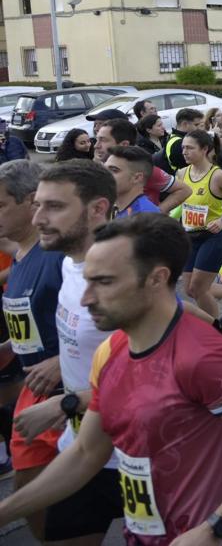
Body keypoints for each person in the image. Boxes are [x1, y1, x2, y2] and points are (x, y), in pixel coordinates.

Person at [0, 212, 222, 543]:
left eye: (105, 282)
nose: (87, 299)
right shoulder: (112, 349)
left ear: (157, 279)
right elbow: (87, 453)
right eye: (87, 281)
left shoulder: (203, 355)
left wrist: (217, 525)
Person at [19, 160, 123, 542]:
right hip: (81, 450)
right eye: (38, 206)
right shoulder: (70, 263)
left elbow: (160, 374)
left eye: (55, 207)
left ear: (97, 208)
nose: (38, 219)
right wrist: (63, 370)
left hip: (141, 458)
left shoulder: (123, 279)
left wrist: (69, 403)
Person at [0, 161, 65, 541]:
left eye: (0, 205)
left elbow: (114, 320)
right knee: (32, 490)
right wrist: (11, 347)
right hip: (34, 386)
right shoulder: (23, 255)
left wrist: (59, 362)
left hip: (68, 396)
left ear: (30, 202)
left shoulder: (58, 258)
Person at [173, 130, 222, 318]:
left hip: (214, 235)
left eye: (190, 148)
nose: (184, 152)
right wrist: (167, 217)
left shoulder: (218, 176)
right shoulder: (182, 173)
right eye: (183, 148)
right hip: (190, 235)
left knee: (199, 288)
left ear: (205, 149)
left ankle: (217, 330)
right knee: (190, 290)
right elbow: (184, 205)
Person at [93, 116, 187, 212]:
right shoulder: (98, 167)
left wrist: (155, 213)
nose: (96, 146)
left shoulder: (141, 168)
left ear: (124, 145)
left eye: (103, 140)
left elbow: (184, 190)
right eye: (97, 140)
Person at [105, 145, 161, 217]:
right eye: (104, 169)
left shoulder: (145, 217)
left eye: (114, 170)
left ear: (137, 178)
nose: (104, 174)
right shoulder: (117, 209)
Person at [161, 108, 203, 174]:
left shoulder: (174, 137)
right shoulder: (179, 143)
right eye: (196, 125)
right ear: (185, 124)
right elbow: (197, 165)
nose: (199, 128)